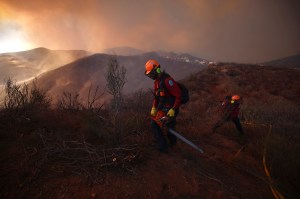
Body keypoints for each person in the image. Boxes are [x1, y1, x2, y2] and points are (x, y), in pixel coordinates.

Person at [144, 59, 182, 153]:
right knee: (166, 126)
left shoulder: (167, 81)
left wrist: (173, 109)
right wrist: (154, 107)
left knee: (158, 124)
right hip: (164, 107)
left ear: (156, 70)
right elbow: (157, 97)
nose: (151, 75)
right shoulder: (157, 82)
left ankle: (163, 146)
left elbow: (178, 96)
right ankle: (172, 144)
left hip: (171, 108)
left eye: (151, 73)